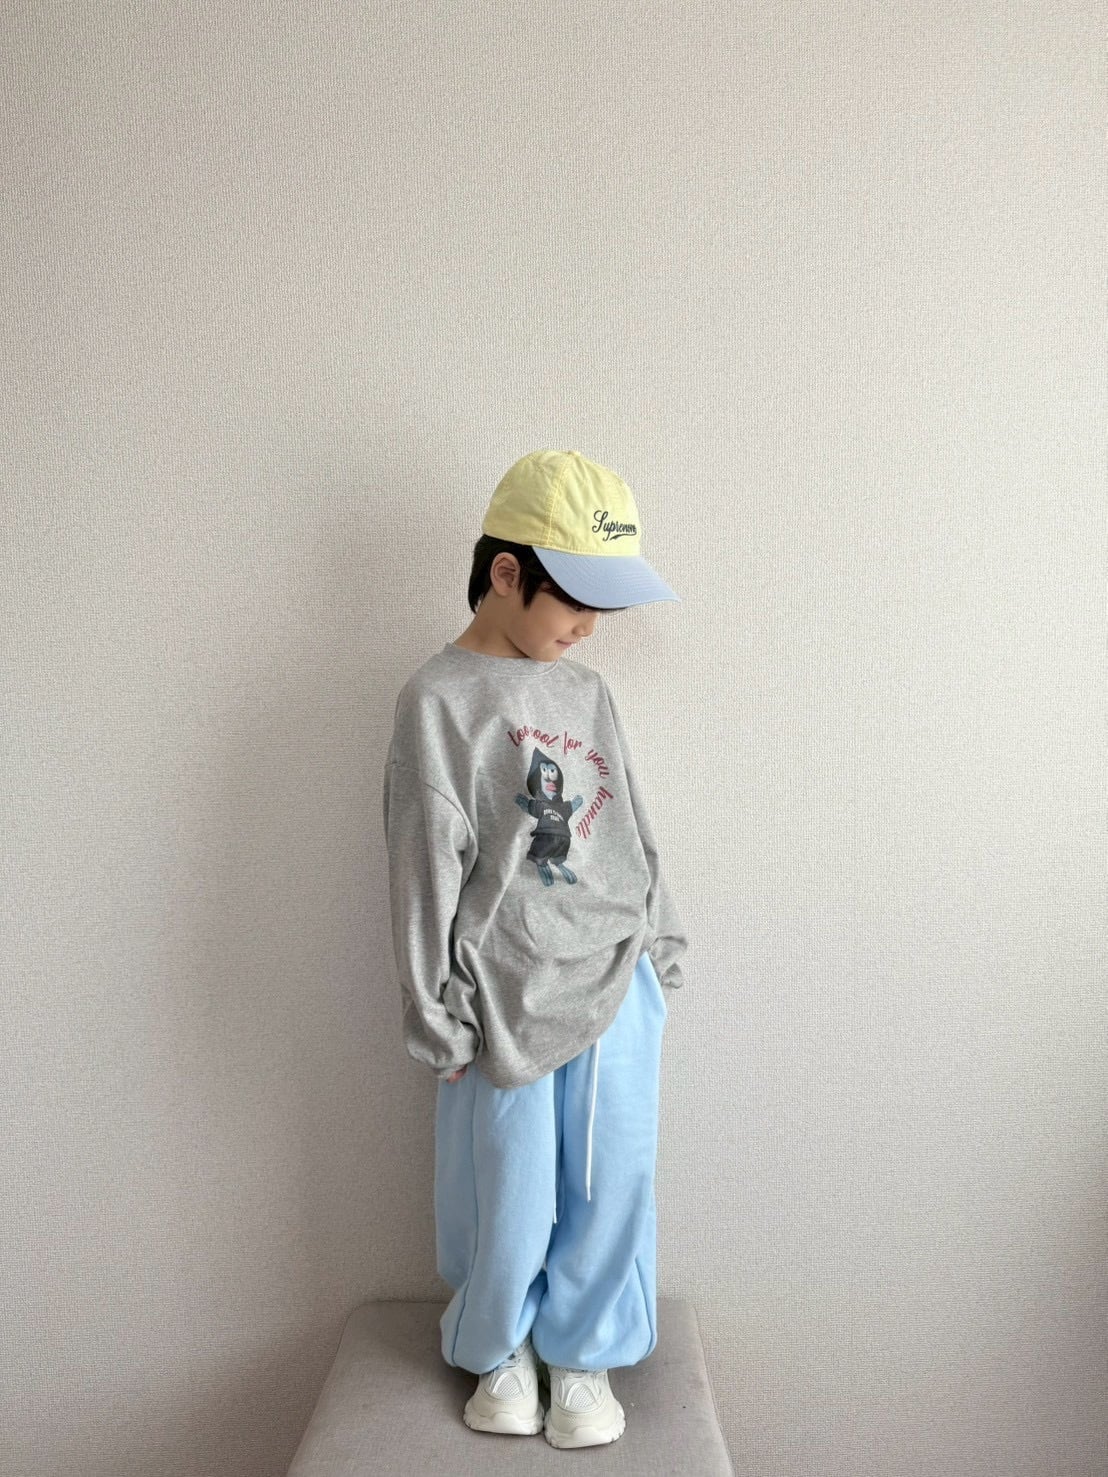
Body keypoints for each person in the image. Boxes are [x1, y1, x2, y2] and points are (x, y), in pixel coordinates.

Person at [381, 448, 688, 1449]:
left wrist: (660, 942)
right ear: (507, 572)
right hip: (504, 991)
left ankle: (584, 1352)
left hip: (614, 973)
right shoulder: (439, 700)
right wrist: (434, 1008)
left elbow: (629, 824)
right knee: (505, 1186)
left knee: (611, 1175)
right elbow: (422, 862)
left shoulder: (586, 692)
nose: (590, 625)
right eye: (577, 598)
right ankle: (497, 1344)